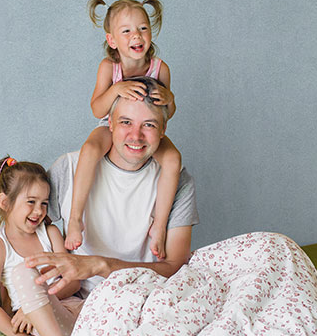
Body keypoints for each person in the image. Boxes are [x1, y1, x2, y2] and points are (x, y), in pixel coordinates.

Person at [22, 78, 198, 301]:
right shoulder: (70, 168)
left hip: (146, 300)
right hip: (77, 299)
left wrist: (101, 266)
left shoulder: (177, 181)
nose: (136, 136)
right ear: (110, 123)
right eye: (126, 122)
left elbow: (174, 268)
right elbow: (25, 231)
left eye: (149, 125)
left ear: (163, 130)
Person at [64, 0, 182, 261]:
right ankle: (75, 218)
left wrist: (169, 99)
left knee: (173, 159)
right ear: (112, 40)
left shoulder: (160, 68)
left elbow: (169, 114)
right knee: (90, 149)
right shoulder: (110, 68)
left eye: (143, 28)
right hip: (111, 126)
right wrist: (116, 89)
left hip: (148, 129)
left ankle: (159, 225)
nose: (136, 35)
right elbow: (97, 109)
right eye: (126, 31)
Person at [0, 157, 84, 336]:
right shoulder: (0, 246)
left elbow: (73, 282)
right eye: (31, 202)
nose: (39, 211)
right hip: (40, 323)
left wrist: (34, 305)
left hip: (70, 310)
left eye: (44, 203)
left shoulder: (50, 233)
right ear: (5, 202)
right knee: (24, 272)